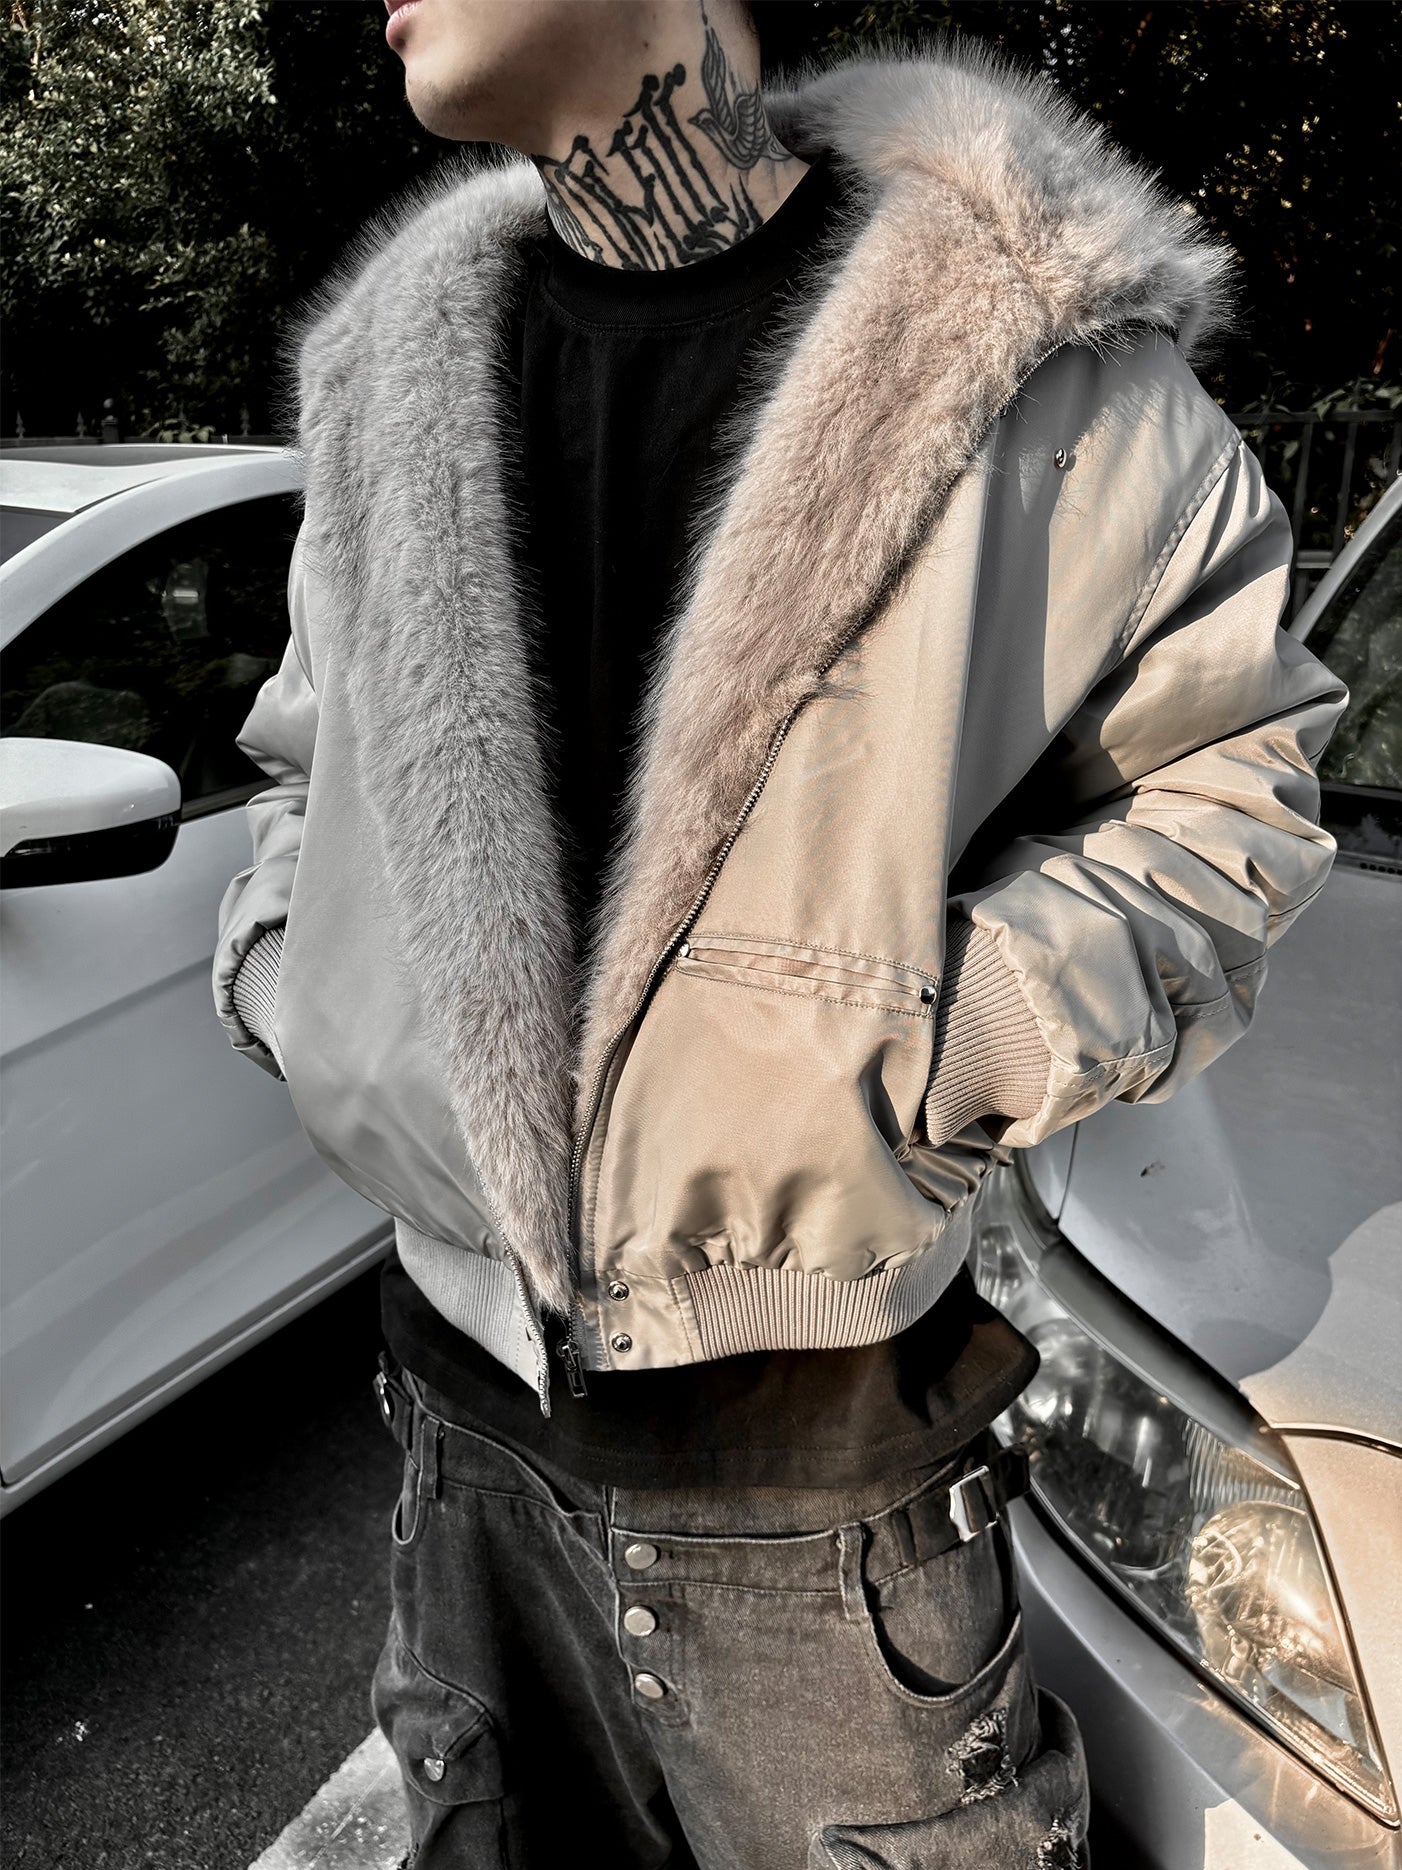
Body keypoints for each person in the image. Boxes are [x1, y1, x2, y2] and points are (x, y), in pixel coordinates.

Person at [212, 2, 1346, 1863]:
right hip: (458, 1427)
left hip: (820, 1487)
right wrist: (293, 974)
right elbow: (302, 757)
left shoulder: (1030, 348)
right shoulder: (389, 388)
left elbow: (1234, 780)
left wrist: (945, 1042)